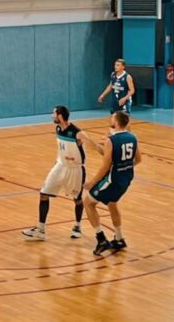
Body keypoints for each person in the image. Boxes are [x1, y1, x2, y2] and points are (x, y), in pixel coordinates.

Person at [22, 105, 103, 241]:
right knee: (44, 194)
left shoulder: (77, 133)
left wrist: (105, 151)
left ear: (60, 116)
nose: (51, 116)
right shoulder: (58, 128)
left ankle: (77, 226)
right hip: (60, 166)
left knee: (77, 199)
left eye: (53, 113)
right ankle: (40, 229)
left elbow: (92, 145)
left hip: (75, 169)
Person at [84, 110, 140, 256]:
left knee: (88, 203)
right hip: (126, 179)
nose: (110, 118)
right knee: (112, 203)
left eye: (112, 117)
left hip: (112, 180)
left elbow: (105, 166)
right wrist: (123, 165)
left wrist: (92, 182)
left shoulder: (111, 140)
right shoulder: (133, 137)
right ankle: (119, 238)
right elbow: (138, 159)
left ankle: (101, 239)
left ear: (116, 122)